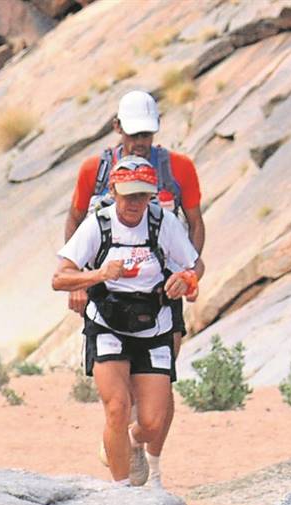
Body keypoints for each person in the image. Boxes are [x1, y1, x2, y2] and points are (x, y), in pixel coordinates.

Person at [51, 156, 203, 489]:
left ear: (151, 195)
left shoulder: (163, 223)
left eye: (142, 195)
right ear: (113, 191)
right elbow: (59, 278)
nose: (134, 203)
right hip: (107, 323)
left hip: (154, 324)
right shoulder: (98, 225)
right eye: (127, 195)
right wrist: (98, 275)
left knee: (152, 422)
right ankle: (122, 494)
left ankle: (129, 441)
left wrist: (187, 279)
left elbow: (195, 265)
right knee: (117, 408)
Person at [65, 90, 205, 358]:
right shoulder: (94, 170)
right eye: (134, 134)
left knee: (162, 373)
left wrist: (190, 273)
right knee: (113, 374)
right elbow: (74, 219)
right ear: (117, 127)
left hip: (163, 285)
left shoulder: (179, 168)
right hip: (108, 287)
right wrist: (78, 280)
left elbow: (195, 223)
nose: (140, 142)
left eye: (146, 134)